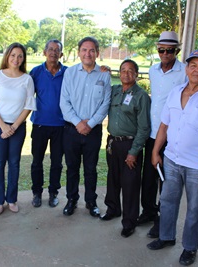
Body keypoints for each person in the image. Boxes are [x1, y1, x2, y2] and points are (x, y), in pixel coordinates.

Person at [146, 49, 198, 266]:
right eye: (193, 65)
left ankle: (190, 248)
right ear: (186, 69)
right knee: (167, 201)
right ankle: (166, 237)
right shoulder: (176, 92)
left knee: (195, 208)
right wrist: (156, 152)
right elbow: (164, 125)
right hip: (172, 160)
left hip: (197, 166)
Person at [137, 31, 187, 238]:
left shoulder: (184, 71)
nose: (165, 54)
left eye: (170, 50)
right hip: (152, 133)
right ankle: (148, 211)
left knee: (166, 182)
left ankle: (161, 221)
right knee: (148, 177)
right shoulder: (153, 70)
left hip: (172, 135)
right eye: (161, 49)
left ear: (177, 50)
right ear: (157, 49)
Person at [60, 36, 111, 217]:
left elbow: (105, 104)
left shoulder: (104, 75)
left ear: (97, 53)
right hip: (71, 129)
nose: (87, 54)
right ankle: (71, 200)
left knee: (90, 168)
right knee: (72, 167)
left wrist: (88, 124)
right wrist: (78, 123)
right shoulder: (70, 73)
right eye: (84, 50)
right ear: (79, 52)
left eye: (91, 50)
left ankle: (91, 202)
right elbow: (64, 102)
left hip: (93, 131)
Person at [100, 59, 151, 238]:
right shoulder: (114, 91)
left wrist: (134, 151)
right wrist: (103, 71)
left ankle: (129, 222)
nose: (126, 74)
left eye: (131, 71)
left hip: (130, 145)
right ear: (119, 73)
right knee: (113, 179)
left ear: (136, 74)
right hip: (113, 143)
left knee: (130, 184)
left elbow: (144, 127)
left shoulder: (141, 96)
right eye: (123, 70)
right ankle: (113, 209)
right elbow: (99, 85)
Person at [0, 43, 36, 215]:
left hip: (17, 127)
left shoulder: (27, 79)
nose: (16, 59)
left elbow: (28, 105)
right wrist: (3, 126)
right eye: (13, 55)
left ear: (23, 59)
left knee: (14, 163)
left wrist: (13, 126)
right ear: (7, 56)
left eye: (20, 56)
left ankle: (12, 199)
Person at [29, 39, 67, 208]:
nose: (53, 53)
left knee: (57, 162)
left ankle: (53, 193)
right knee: (37, 161)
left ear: (61, 54)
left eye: (56, 50)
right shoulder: (35, 72)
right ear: (44, 52)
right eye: (50, 49)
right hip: (40, 124)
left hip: (61, 126)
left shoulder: (68, 73)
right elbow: (26, 95)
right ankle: (37, 193)